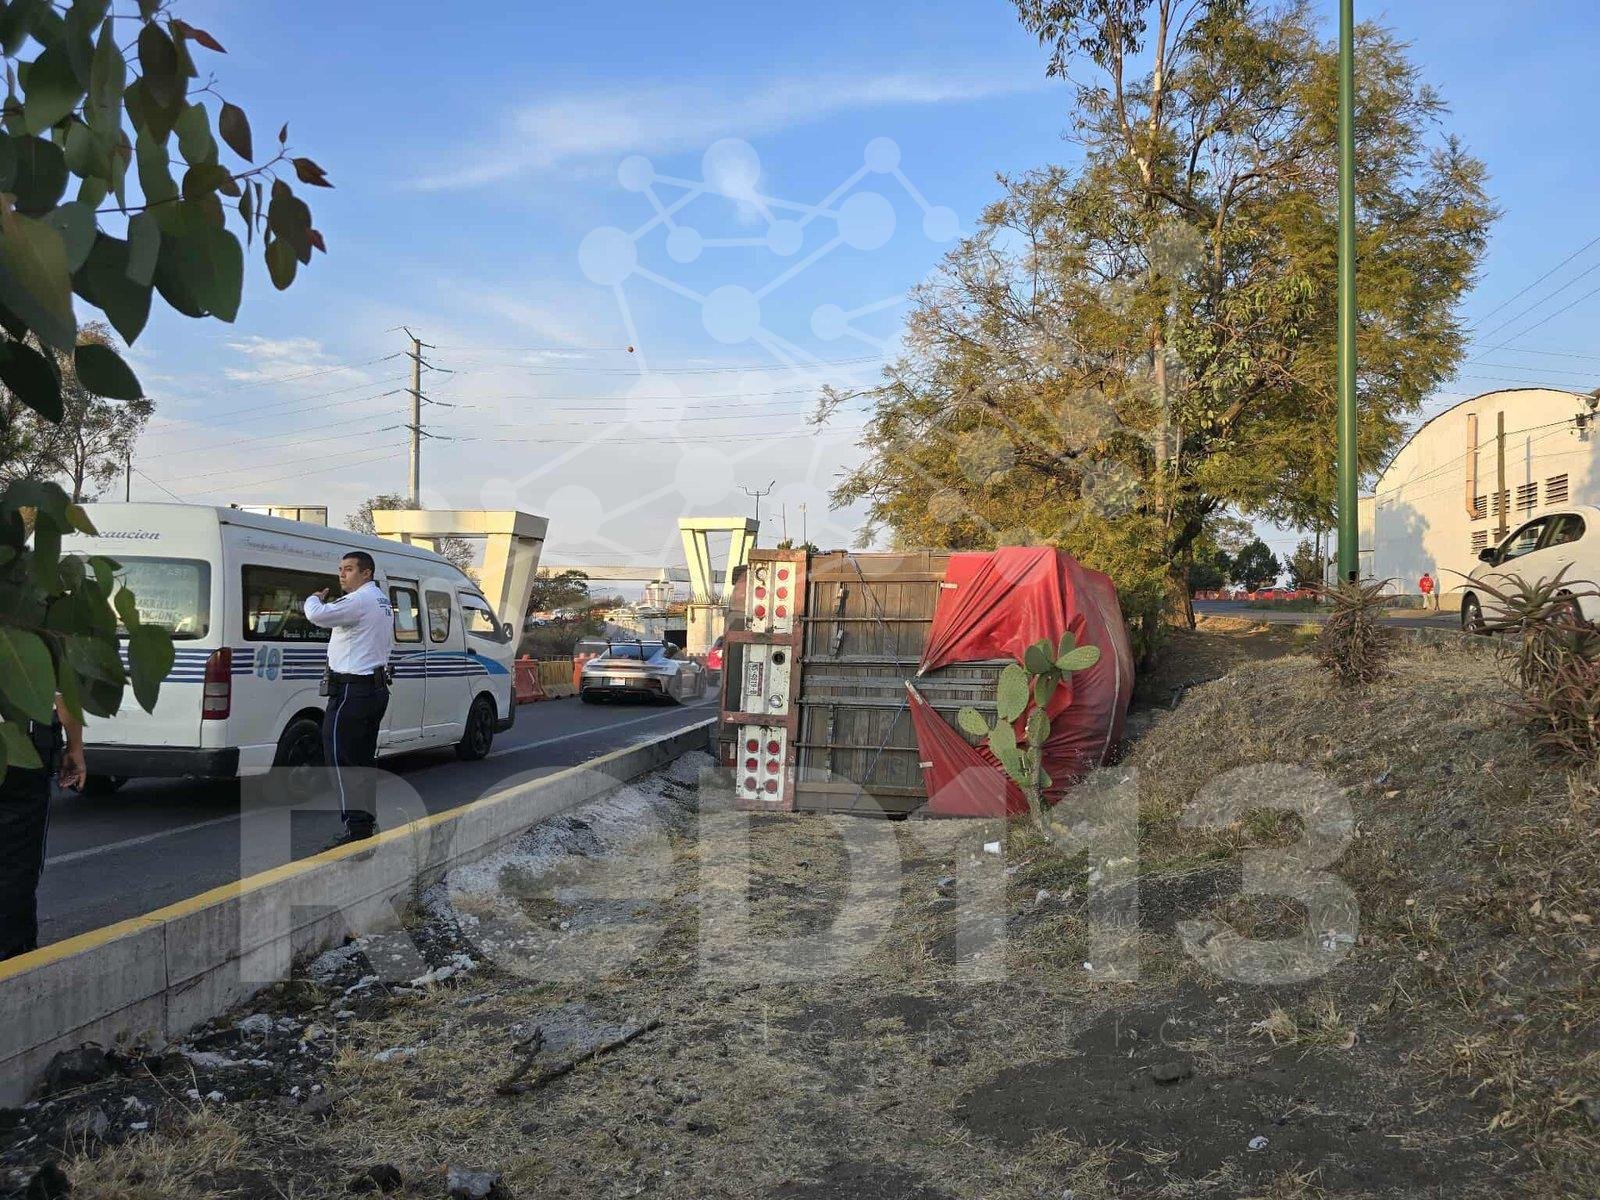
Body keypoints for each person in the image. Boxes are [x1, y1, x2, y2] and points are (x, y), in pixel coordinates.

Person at [304, 550, 394, 845]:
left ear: (366, 573)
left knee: (340, 757)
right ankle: (365, 823)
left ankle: (356, 830)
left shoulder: (359, 600)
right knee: (362, 759)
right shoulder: (380, 600)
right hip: (374, 688)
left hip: (352, 691)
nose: (342, 574)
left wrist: (313, 598)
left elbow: (317, 615)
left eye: (349, 569)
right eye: (340, 569)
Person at [0, 698, 85, 961]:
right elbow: (62, 696)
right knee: (18, 859)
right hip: (21, 749)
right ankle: (14, 953)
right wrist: (75, 749)